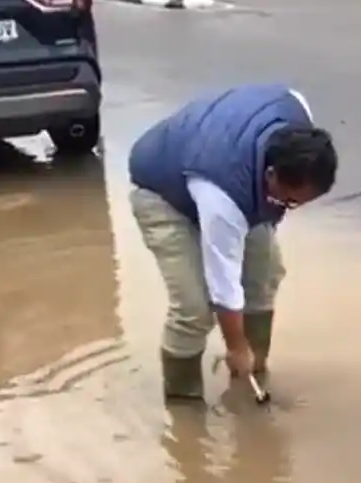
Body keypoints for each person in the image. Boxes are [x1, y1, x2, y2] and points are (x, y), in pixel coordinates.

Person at [128, 84, 338, 400]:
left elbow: (252, 257)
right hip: (163, 193)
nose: (289, 208)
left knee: (263, 275)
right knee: (194, 308)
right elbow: (223, 284)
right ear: (270, 175)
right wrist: (235, 347)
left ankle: (253, 377)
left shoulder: (296, 112)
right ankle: (184, 407)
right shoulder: (223, 193)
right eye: (290, 201)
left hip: (219, 170)